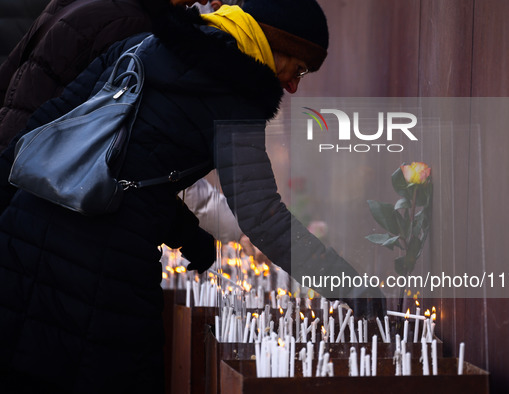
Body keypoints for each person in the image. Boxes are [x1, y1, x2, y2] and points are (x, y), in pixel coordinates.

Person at [0, 1, 374, 392]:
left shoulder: (143, 45)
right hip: (105, 272)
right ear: (273, 43)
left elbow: (54, 126)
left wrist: (187, 234)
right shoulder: (238, 99)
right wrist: (351, 287)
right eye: (298, 68)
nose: (294, 85)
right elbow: (263, 216)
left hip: (23, 239)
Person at [0, 0, 202, 153]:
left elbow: (11, 68)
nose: (203, 3)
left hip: (16, 139)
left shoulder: (78, 4)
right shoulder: (135, 24)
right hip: (38, 155)